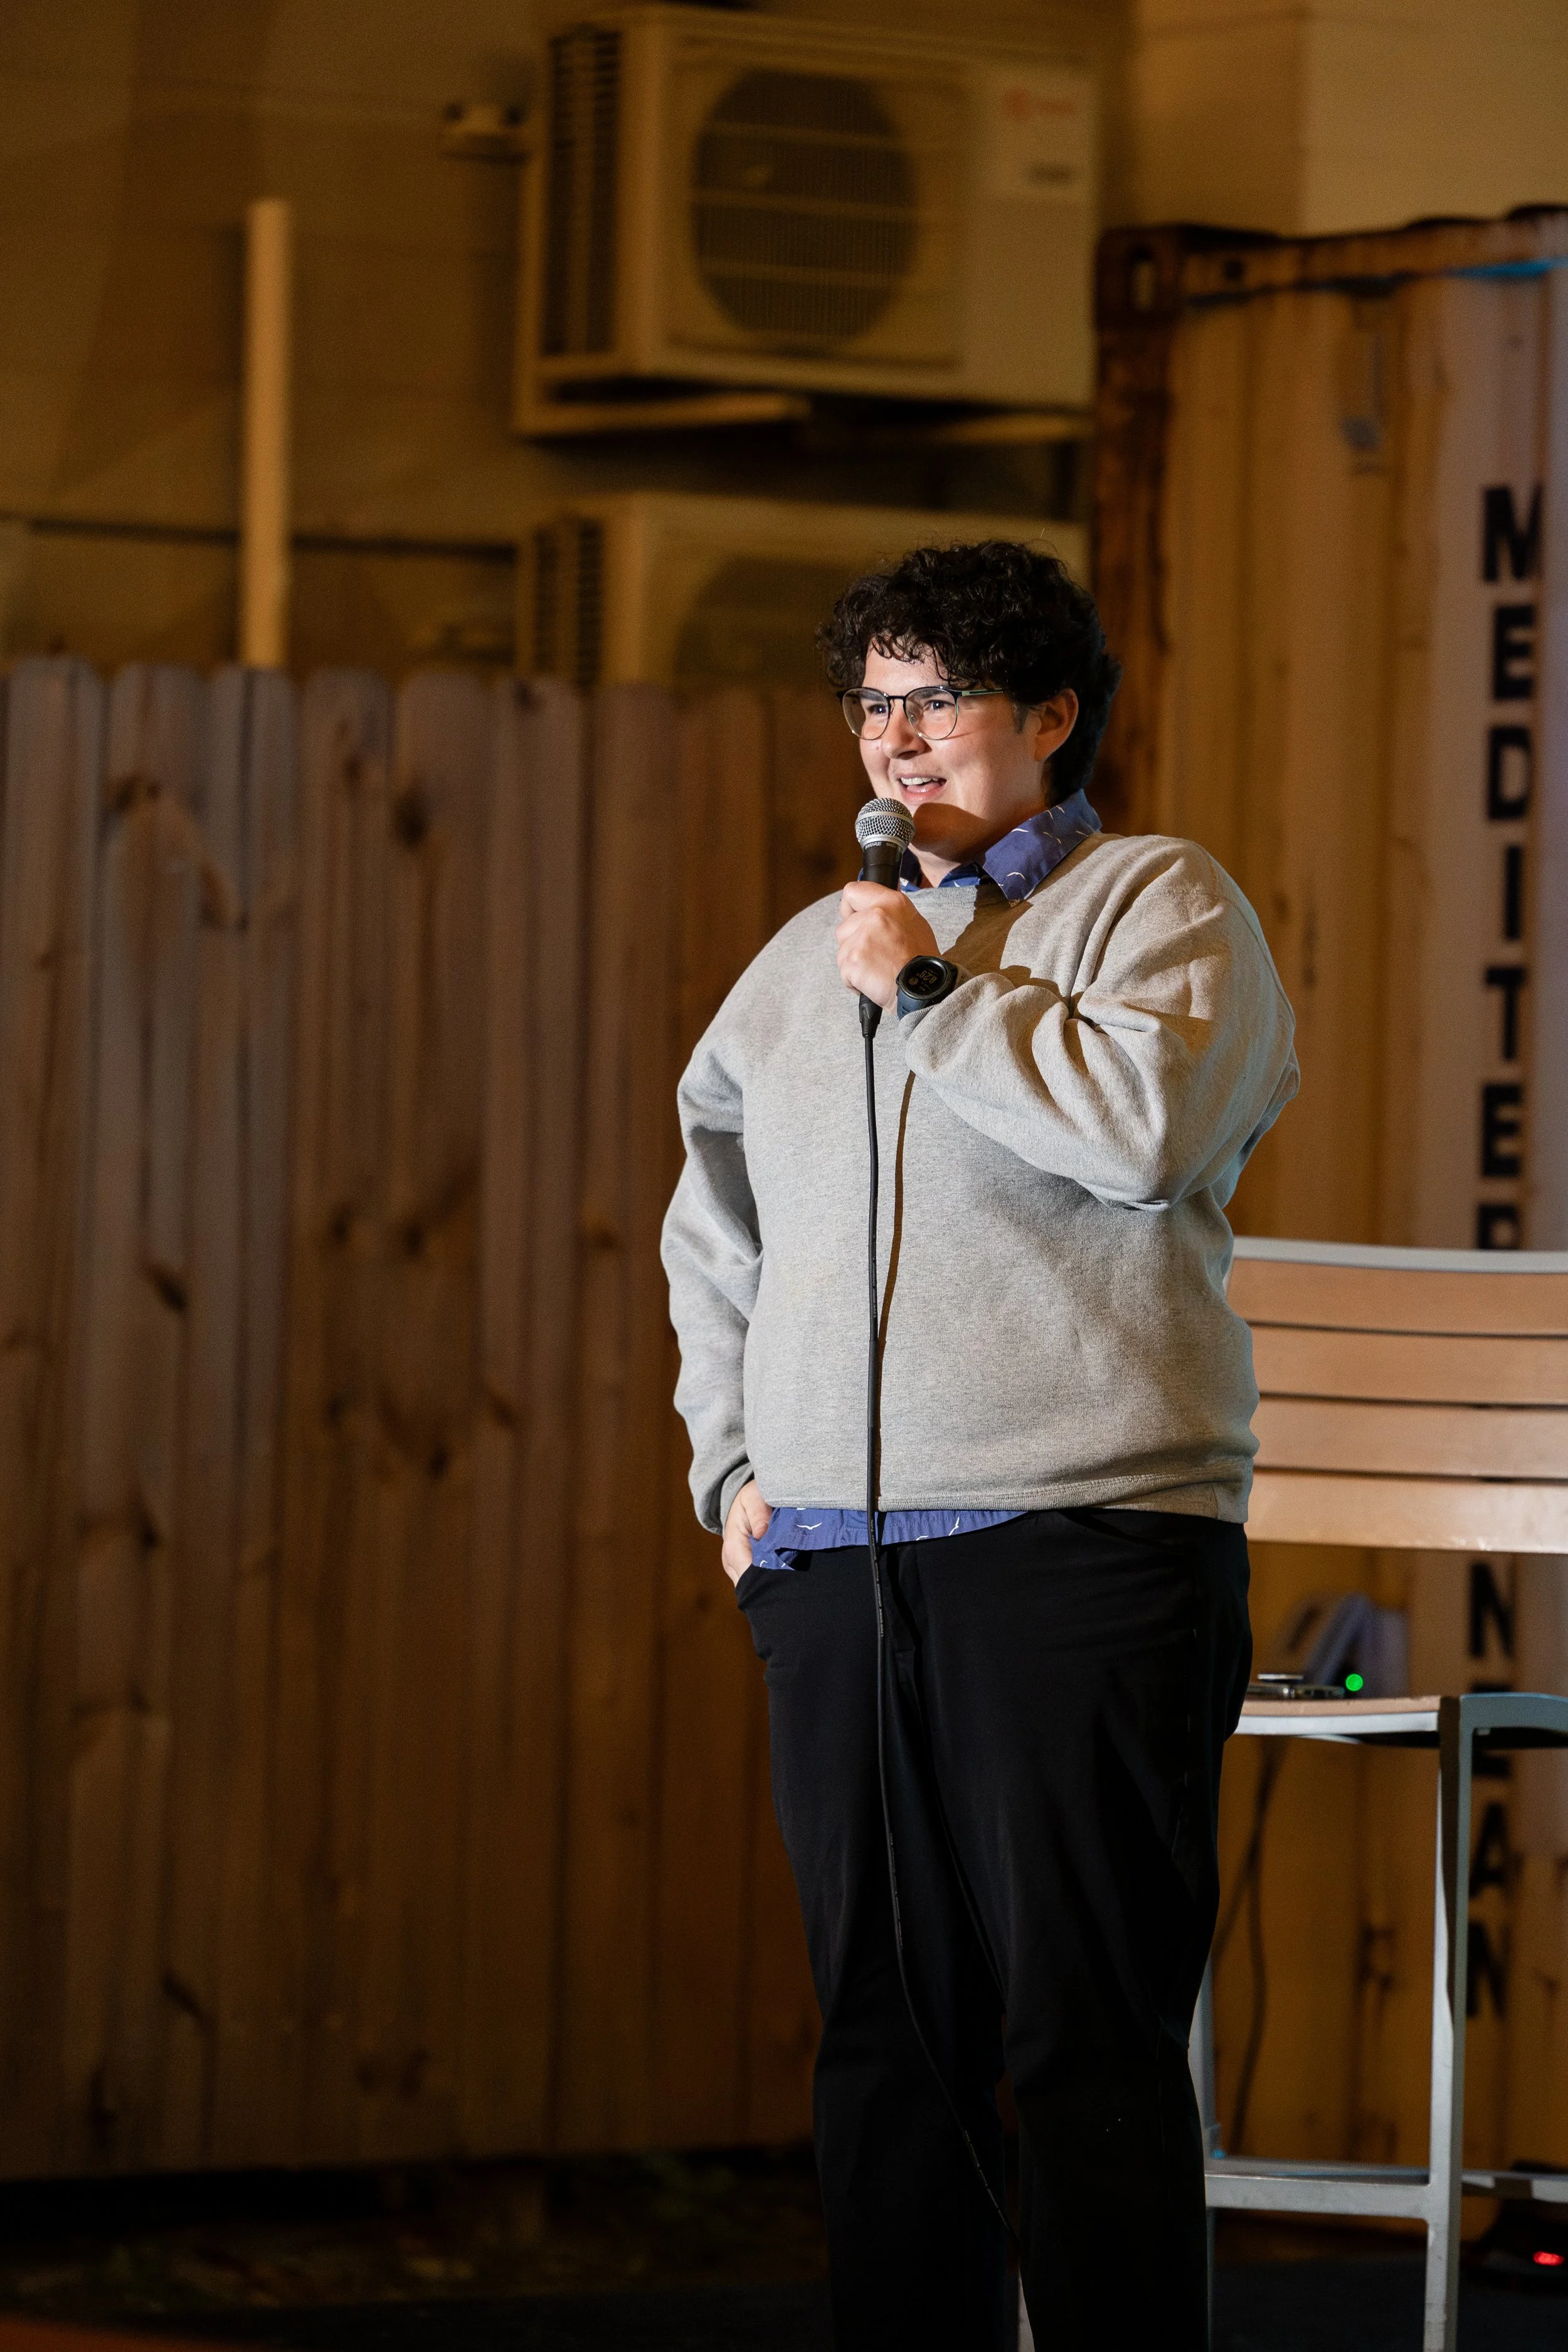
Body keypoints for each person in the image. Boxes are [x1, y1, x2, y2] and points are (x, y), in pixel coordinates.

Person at [660, 540, 1298, 2351]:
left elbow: (1144, 1130)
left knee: (1080, 2038)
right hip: (833, 1558)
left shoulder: (1160, 903)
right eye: (872, 700)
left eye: (937, 696)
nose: (897, 737)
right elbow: (714, 1233)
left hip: (1080, 1539)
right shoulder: (805, 958)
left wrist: (936, 993)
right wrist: (729, 1472)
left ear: (1048, 713)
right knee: (884, 2033)